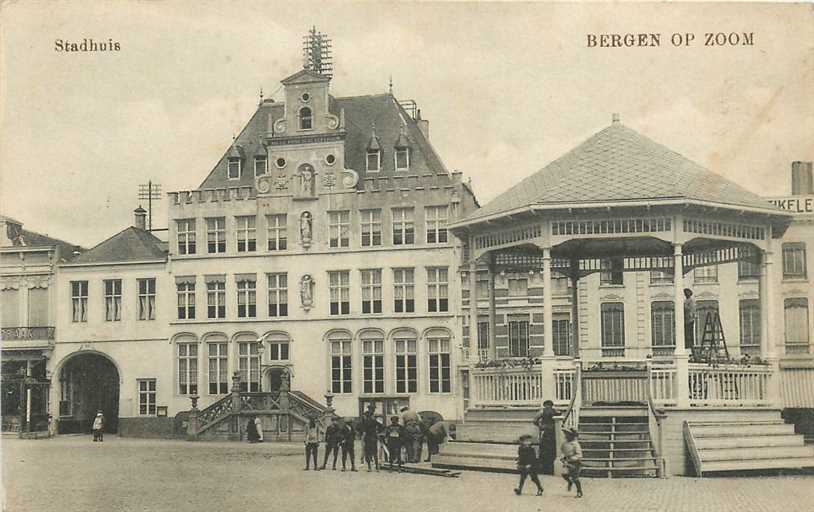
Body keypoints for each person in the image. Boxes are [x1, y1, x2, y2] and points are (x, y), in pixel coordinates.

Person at [533, 400, 560, 474]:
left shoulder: (542, 411)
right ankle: (550, 467)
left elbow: (535, 420)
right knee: (551, 449)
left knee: (544, 449)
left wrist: (540, 426)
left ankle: (545, 468)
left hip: (546, 432)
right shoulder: (556, 411)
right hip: (553, 432)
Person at [560, 428, 583, 498]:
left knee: (575, 477)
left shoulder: (575, 444)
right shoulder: (564, 444)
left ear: (572, 436)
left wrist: (572, 458)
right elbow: (562, 451)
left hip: (575, 463)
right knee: (564, 474)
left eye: (568, 435)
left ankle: (579, 491)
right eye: (566, 435)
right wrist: (563, 457)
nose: (566, 436)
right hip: (567, 462)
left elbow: (579, 455)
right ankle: (570, 481)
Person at [359, 407, 382, 471]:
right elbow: (381, 426)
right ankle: (377, 467)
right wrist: (377, 432)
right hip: (374, 438)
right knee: (375, 453)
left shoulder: (365, 422)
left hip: (367, 439)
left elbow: (363, 431)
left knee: (367, 453)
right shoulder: (374, 421)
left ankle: (369, 467)